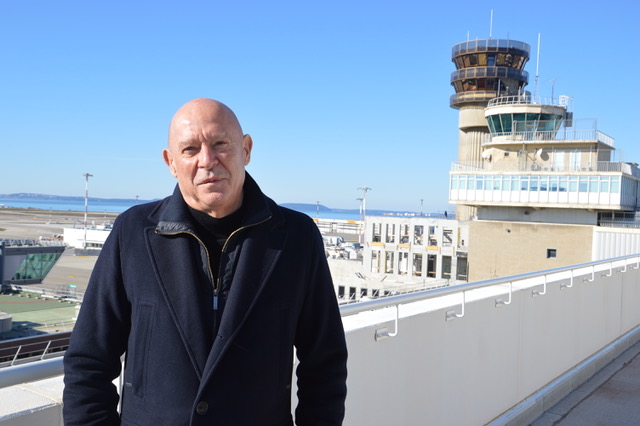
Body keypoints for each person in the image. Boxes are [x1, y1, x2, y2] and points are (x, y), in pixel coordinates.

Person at [63, 98, 348, 425]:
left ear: (247, 149)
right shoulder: (133, 233)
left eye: (220, 144)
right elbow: (89, 361)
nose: (207, 161)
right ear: (171, 162)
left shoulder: (297, 238)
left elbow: (324, 364)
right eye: (190, 150)